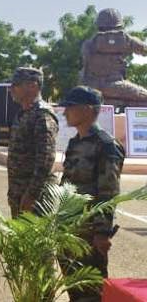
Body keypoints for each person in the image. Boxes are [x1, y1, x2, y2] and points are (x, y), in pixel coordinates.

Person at [57, 86, 124, 302]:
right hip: (69, 228)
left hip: (90, 234)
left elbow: (109, 191)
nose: (65, 112)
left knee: (92, 292)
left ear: (87, 110)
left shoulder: (106, 145)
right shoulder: (75, 143)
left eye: (70, 107)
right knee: (74, 289)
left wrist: (102, 233)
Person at [7, 67, 59, 218]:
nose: (12, 89)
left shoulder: (42, 115)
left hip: (36, 198)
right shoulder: (23, 113)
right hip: (19, 192)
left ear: (33, 85)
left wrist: (32, 195)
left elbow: (45, 159)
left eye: (16, 85)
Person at [79, 8, 147, 109]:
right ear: (119, 24)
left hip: (90, 86)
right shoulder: (125, 39)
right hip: (115, 86)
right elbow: (144, 49)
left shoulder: (89, 43)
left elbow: (85, 65)